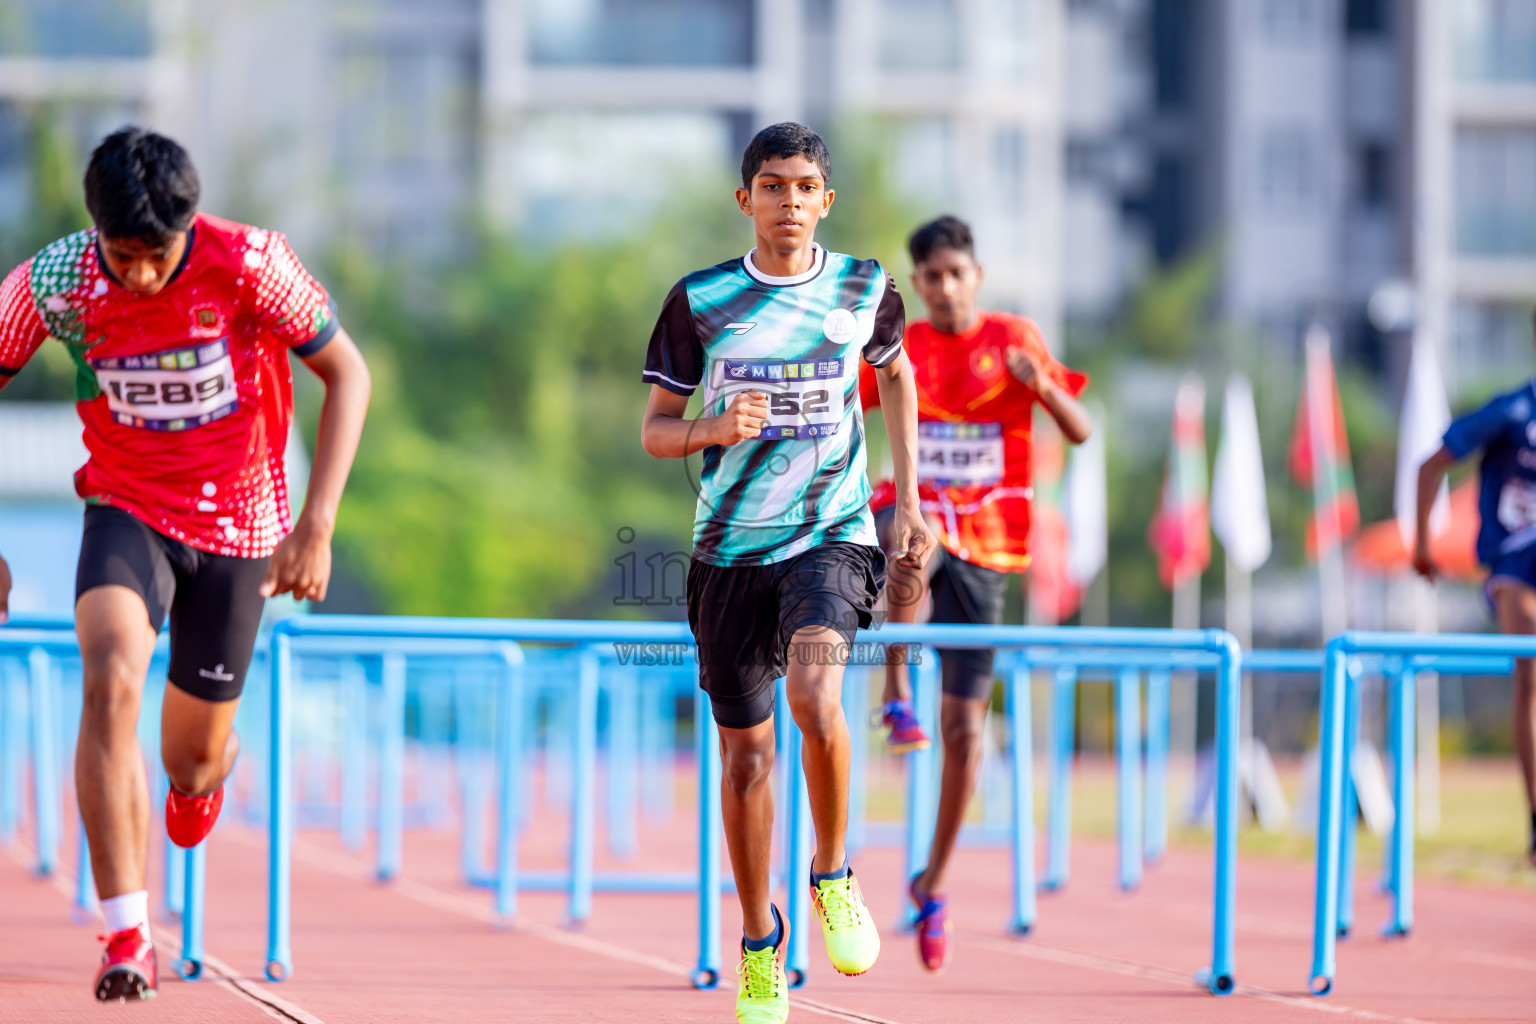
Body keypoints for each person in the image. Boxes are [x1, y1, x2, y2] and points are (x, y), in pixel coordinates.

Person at [0, 127, 371, 1001]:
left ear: (190, 226)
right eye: (121, 255)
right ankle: (127, 934)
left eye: (156, 256)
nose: (138, 275)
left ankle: (202, 774)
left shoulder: (250, 265)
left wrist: (315, 525)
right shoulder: (57, 282)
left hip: (242, 526)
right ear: (97, 232)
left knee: (190, 761)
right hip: (127, 507)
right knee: (110, 677)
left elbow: (347, 374)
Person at [641, 122, 933, 1024]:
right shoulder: (701, 302)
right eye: (774, 186)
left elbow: (898, 376)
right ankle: (760, 944)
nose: (791, 203)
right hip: (729, 551)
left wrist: (909, 501)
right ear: (746, 200)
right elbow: (656, 430)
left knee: (817, 697)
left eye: (806, 187)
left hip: (833, 536)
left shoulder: (863, 287)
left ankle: (834, 873)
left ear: (826, 200)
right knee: (748, 760)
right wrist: (710, 431)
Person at [858, 215, 1091, 971]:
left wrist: (1043, 388)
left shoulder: (1015, 337)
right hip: (920, 505)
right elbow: (843, 400)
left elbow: (1081, 431)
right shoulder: (906, 344)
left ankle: (933, 881)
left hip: (992, 537)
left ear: (976, 277)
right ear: (918, 284)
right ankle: (895, 690)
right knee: (906, 547)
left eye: (957, 274)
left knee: (965, 734)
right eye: (931, 278)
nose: (946, 288)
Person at [1413, 312, 1536, 868]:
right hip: (1515, 566)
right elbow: (1429, 465)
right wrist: (1421, 544)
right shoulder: (1511, 411)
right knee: (1530, 672)